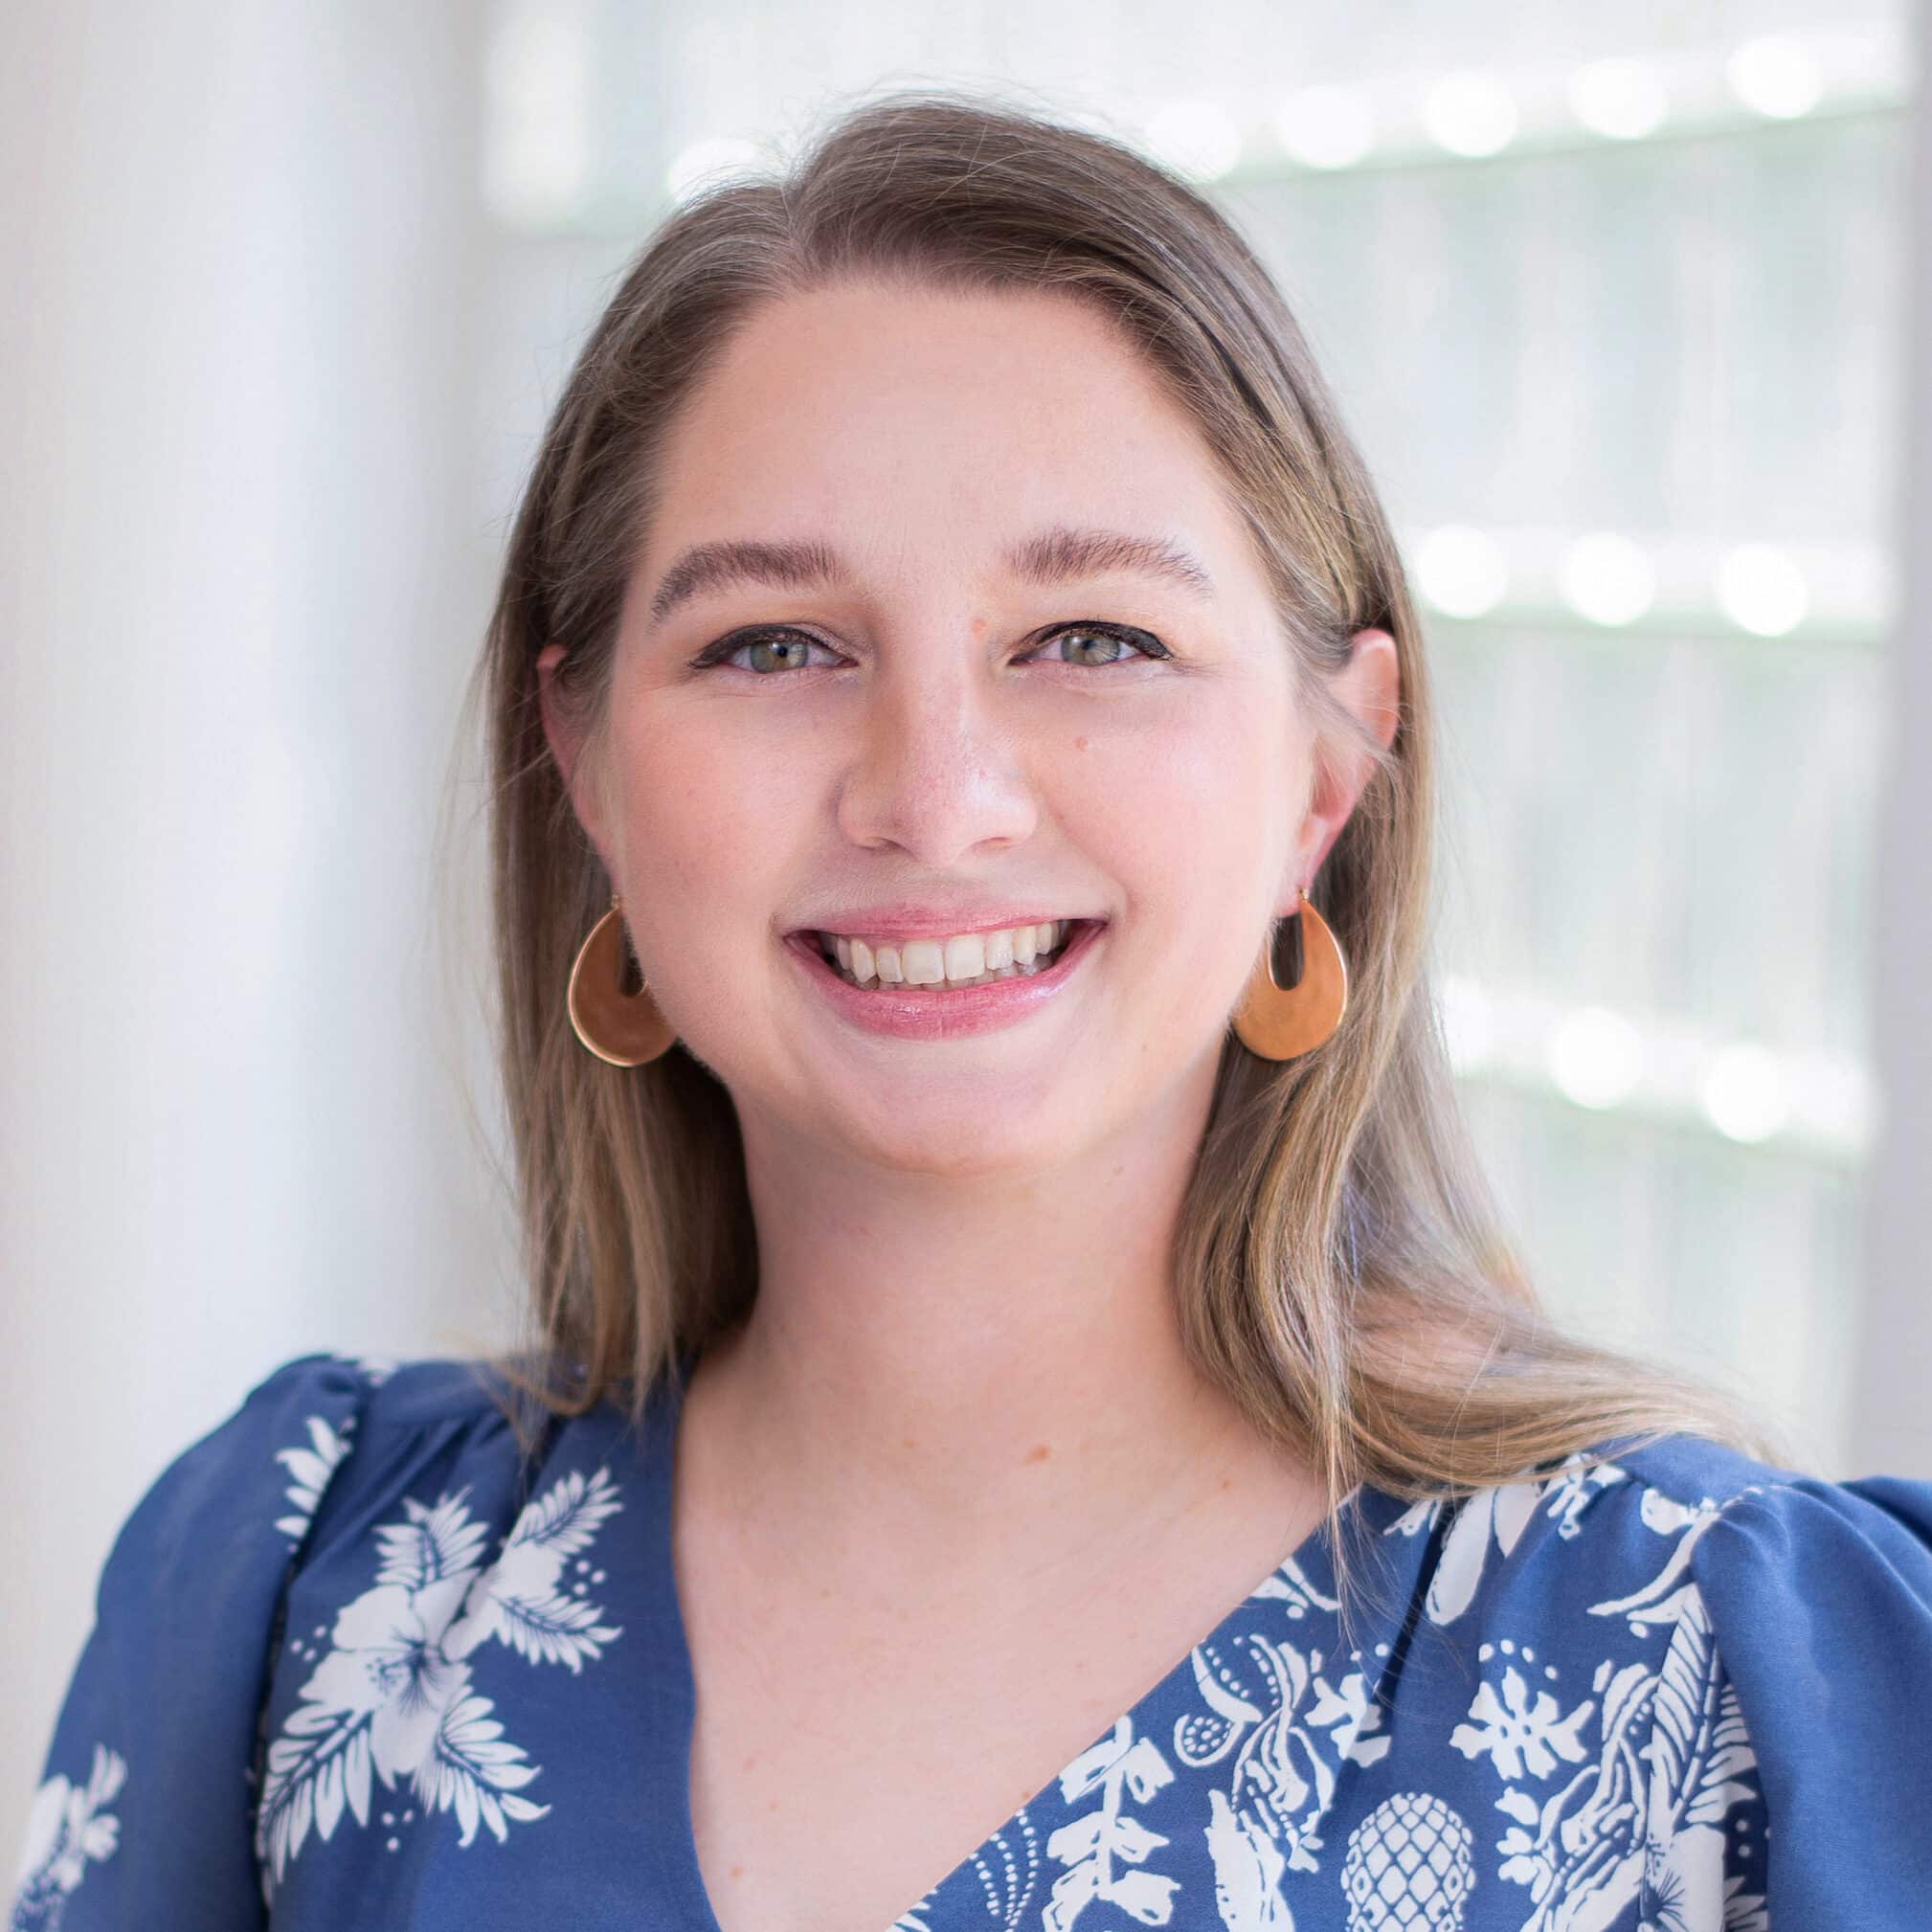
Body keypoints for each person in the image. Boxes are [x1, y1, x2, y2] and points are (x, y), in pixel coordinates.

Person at [12, 88, 1932, 1932]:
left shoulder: (1733, 1676)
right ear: (584, 764)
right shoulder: (308, 1593)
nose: (934, 798)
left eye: (1092, 638)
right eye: (772, 643)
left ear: (1324, 780)